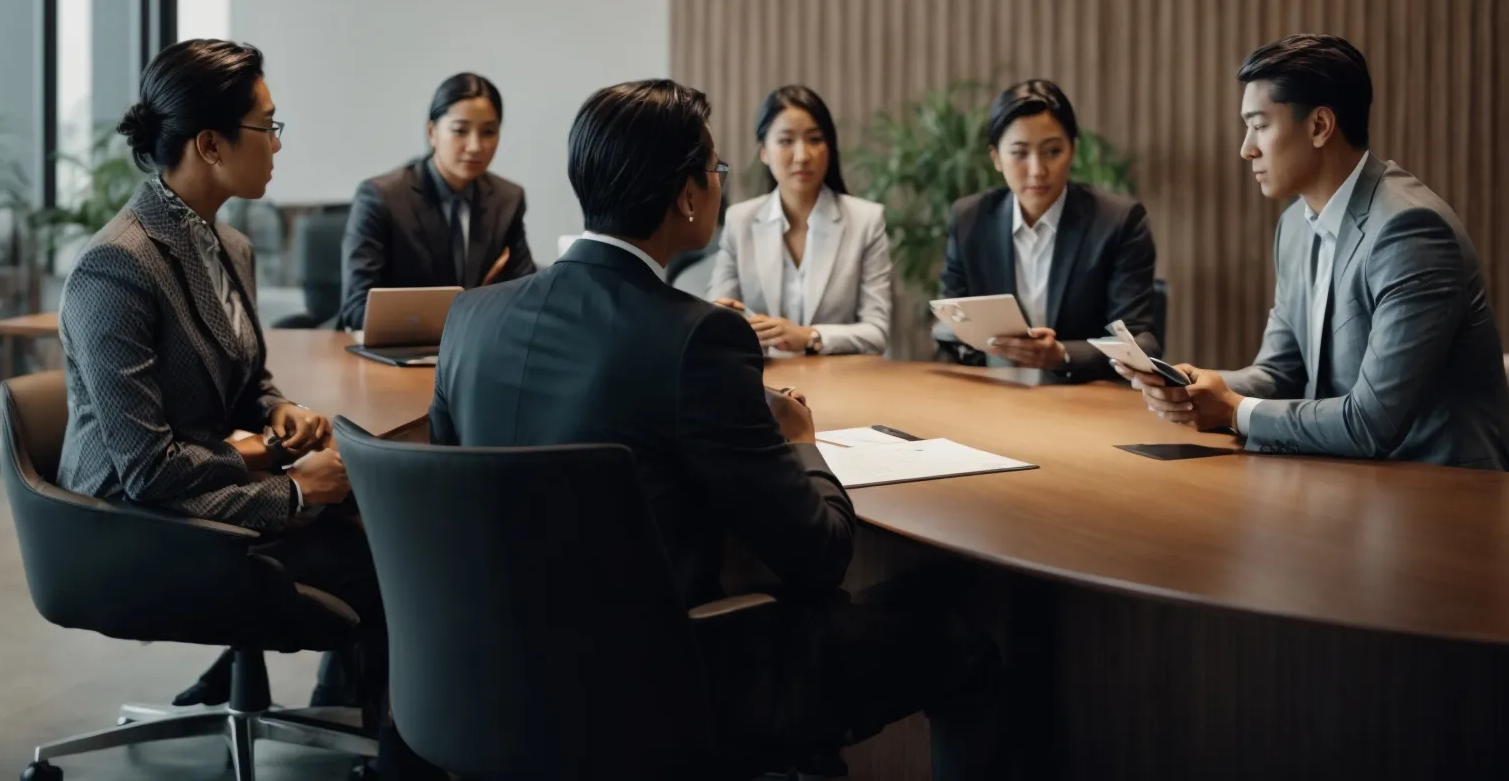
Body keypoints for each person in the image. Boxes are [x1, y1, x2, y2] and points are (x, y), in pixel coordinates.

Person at [431, 79, 999, 779]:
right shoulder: (698, 340)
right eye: (716, 169)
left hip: (493, 680)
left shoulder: (469, 319)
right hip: (669, 688)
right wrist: (800, 440)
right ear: (688, 195)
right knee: (967, 639)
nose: (720, 185)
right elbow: (820, 557)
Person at [56, 39, 437, 777]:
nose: (278, 146)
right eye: (267, 127)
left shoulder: (229, 244)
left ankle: (387, 739)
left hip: (200, 491)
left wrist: (280, 414)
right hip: (134, 523)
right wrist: (291, 485)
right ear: (209, 143)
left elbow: (248, 381)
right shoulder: (117, 267)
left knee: (395, 529)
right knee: (403, 561)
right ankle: (400, 760)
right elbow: (144, 469)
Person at [1121, 34, 1509, 470]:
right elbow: (1280, 374)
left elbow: (1371, 423)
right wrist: (1203, 386)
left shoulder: (1409, 230)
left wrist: (1234, 410)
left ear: (1319, 126)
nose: (1247, 149)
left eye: (1260, 125)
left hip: (1453, 490)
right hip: (1359, 483)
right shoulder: (1296, 226)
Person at [937, 79, 1161, 381]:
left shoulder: (1117, 222)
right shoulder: (969, 220)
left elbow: (1140, 341)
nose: (1037, 170)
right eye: (1019, 153)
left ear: (1073, 149)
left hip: (1082, 403)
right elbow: (948, 327)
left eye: (1052, 151)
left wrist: (1062, 355)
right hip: (989, 400)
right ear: (996, 158)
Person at [338, 73, 536, 330]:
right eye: (460, 131)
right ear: (432, 132)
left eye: (488, 132)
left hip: (472, 353)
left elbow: (529, 296)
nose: (475, 146)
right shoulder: (381, 198)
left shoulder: (507, 199)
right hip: (396, 351)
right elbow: (357, 308)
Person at [710, 85, 893, 355]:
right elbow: (717, 312)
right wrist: (729, 319)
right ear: (763, 151)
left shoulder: (866, 220)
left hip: (843, 384)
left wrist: (810, 336)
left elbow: (876, 331)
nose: (802, 156)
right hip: (761, 382)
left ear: (829, 148)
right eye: (786, 141)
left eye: (815, 139)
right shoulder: (740, 220)